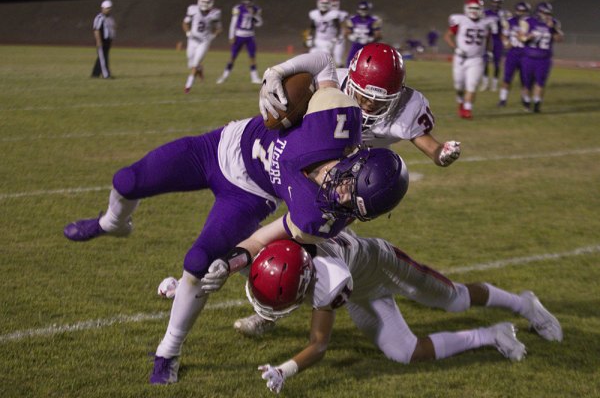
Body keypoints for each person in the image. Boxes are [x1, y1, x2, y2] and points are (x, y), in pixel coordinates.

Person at [62, 82, 410, 384]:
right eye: (350, 189)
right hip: (215, 147)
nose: (342, 199)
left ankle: (169, 350)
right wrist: (278, 73)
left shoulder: (321, 218)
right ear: (355, 162)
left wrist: (227, 264)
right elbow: (321, 64)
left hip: (247, 197)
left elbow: (263, 237)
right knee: (126, 180)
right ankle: (112, 223)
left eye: (356, 207)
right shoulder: (333, 120)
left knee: (198, 262)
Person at [236, 236, 562, 394]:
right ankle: (493, 334)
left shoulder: (329, 280)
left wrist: (285, 370)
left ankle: (525, 305)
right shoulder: (278, 248)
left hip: (385, 267)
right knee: (404, 352)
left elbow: (319, 344)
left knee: (456, 300)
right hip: (359, 286)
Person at [259, 43, 461, 167]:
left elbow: (432, 148)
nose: (370, 103)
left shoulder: (406, 108)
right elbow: (319, 60)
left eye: (381, 99)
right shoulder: (332, 83)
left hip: (369, 160)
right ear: (351, 83)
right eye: (364, 96)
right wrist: (276, 74)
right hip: (324, 147)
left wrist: (442, 155)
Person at [444, 0, 496, 119]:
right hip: (460, 58)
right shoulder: (461, 21)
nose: (474, 11)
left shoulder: (486, 23)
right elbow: (447, 36)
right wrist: (455, 48)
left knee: (472, 85)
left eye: (476, 8)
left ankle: (467, 109)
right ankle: (461, 102)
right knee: (459, 86)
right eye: (472, 8)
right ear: (466, 9)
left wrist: (489, 51)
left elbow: (488, 39)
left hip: (476, 59)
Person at [519, 2, 563, 113]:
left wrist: (553, 29)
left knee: (540, 82)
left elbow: (559, 39)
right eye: (545, 12)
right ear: (539, 12)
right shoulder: (528, 21)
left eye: (548, 13)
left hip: (544, 58)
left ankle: (537, 103)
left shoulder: (554, 23)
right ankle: (526, 100)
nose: (547, 15)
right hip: (528, 57)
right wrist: (529, 36)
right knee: (527, 83)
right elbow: (521, 37)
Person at [216, 0, 263, 84]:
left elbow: (259, 23)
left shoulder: (256, 9)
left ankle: (254, 78)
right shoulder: (238, 8)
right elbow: (233, 23)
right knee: (232, 57)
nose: (248, 2)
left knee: (252, 57)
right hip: (239, 35)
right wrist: (231, 36)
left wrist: (254, 15)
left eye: (249, 0)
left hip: (250, 35)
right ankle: (224, 76)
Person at [182, 0, 222, 94]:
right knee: (190, 64)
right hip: (192, 40)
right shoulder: (193, 9)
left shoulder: (215, 13)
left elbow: (219, 28)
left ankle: (188, 86)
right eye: (204, 2)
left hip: (204, 42)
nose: (206, 4)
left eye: (208, 2)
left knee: (195, 64)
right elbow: (185, 23)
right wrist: (187, 32)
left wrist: (213, 35)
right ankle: (200, 68)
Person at [498, 1, 531, 107]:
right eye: (519, 10)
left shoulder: (531, 23)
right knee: (507, 78)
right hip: (513, 53)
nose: (521, 13)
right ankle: (503, 99)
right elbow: (503, 34)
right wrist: (506, 42)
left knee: (525, 79)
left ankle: (525, 99)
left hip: (526, 54)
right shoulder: (510, 22)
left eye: (523, 11)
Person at [480, 0, 511, 92]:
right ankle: (485, 84)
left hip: (498, 40)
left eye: (498, 3)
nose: (496, 4)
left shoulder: (504, 14)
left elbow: (507, 28)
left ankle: (494, 85)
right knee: (485, 62)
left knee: (497, 64)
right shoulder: (485, 12)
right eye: (494, 2)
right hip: (486, 40)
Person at [343, 1, 382, 67]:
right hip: (356, 45)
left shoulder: (373, 20)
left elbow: (378, 35)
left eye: (365, 9)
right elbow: (346, 32)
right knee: (350, 62)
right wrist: (351, 36)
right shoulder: (353, 19)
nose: (363, 11)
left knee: (369, 63)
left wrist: (370, 39)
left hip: (368, 46)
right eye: (362, 9)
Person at [91, 0, 116, 79]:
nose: (108, 10)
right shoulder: (99, 18)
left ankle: (95, 74)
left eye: (109, 8)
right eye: (106, 8)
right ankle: (106, 75)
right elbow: (96, 30)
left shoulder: (110, 18)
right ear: (102, 8)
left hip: (107, 41)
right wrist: (98, 41)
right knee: (103, 58)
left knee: (103, 57)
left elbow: (113, 28)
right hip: (101, 41)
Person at [330, 0, 348, 67]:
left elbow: (345, 25)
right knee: (325, 56)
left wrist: (343, 34)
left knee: (338, 58)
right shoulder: (324, 13)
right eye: (332, 1)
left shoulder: (342, 14)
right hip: (327, 38)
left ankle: (340, 74)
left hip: (339, 37)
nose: (334, 3)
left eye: (335, 1)